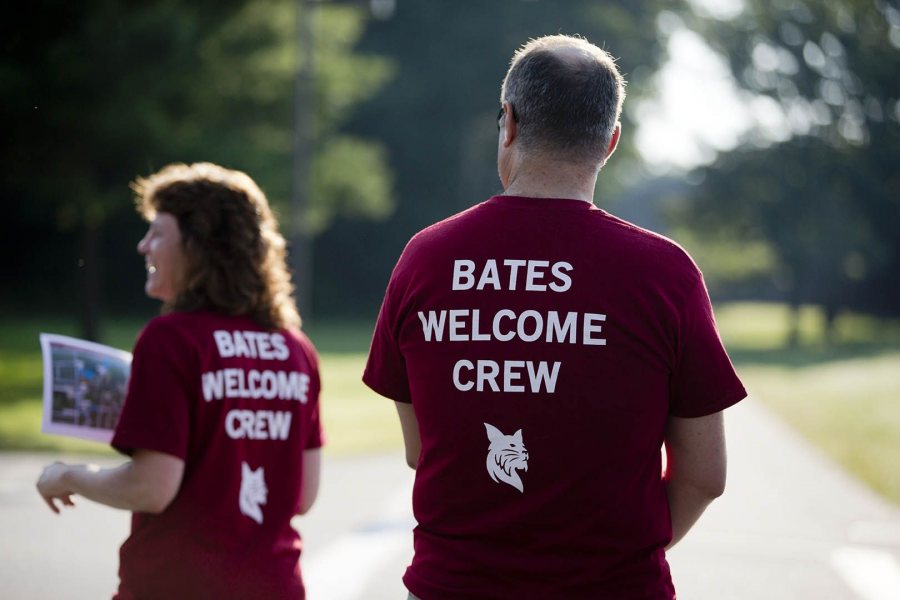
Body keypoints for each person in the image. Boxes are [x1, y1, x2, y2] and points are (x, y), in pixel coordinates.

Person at [363, 34, 746, 599]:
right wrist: (619, 553)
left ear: (509, 123)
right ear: (610, 141)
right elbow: (705, 475)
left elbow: (423, 450)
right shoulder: (665, 274)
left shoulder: (428, 257)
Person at [37, 162, 323, 599]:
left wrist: (68, 475)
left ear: (198, 247)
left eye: (157, 234)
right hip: (275, 586)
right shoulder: (295, 348)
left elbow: (151, 488)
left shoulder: (170, 338)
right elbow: (302, 495)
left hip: (177, 585)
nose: (142, 246)